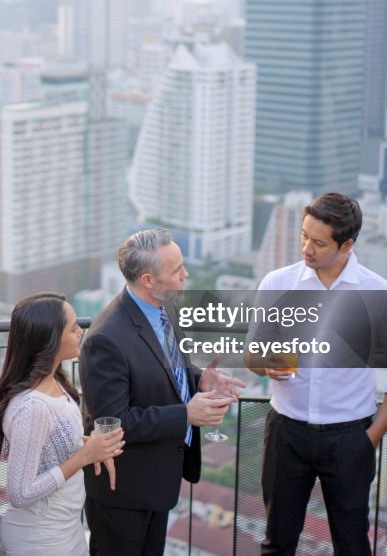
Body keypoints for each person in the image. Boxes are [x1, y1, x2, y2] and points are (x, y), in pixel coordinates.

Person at [248, 193, 387, 555]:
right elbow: (253, 351)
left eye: (319, 242)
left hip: (350, 436)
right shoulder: (278, 283)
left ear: (347, 244)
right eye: (304, 235)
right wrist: (264, 362)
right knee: (276, 541)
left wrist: (370, 437)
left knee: (352, 543)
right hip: (286, 431)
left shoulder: (380, 293)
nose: (307, 248)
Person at [79, 229, 240, 555]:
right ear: (148, 279)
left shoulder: (163, 310)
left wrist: (199, 381)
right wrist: (186, 415)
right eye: (177, 270)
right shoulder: (105, 338)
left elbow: (164, 373)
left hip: (159, 483)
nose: (186, 275)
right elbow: (113, 421)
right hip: (124, 493)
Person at [0, 293, 125, 555]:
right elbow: (20, 492)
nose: (80, 330)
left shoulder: (55, 382)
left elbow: (48, 449)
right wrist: (84, 456)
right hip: (40, 538)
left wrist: (90, 446)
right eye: (72, 326)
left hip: (64, 527)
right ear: (50, 338)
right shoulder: (33, 408)